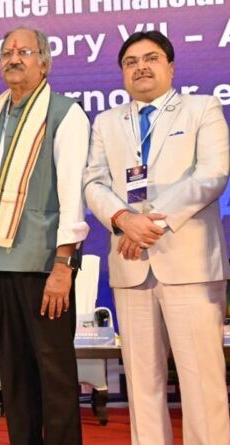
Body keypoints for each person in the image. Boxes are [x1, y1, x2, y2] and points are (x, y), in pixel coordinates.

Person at [83, 30, 230, 445]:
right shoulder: (107, 122)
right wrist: (122, 218)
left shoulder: (202, 108)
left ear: (171, 67)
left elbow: (212, 176)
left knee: (202, 384)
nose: (140, 67)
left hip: (189, 264)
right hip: (130, 265)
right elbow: (93, 182)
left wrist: (149, 225)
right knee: (142, 386)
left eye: (150, 58)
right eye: (130, 62)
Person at [0, 26, 90, 445]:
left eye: (24, 52)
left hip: (43, 264)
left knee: (55, 375)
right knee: (14, 376)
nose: (14, 58)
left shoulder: (65, 113)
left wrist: (64, 265)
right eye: (7, 52)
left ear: (44, 63)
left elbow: (72, 195)